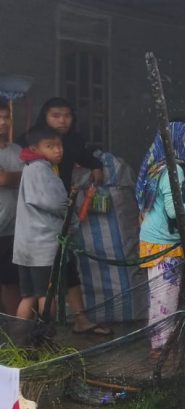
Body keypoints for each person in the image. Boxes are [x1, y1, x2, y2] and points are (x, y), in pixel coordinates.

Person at [25, 97, 109, 335]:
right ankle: (32, 332)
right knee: (39, 280)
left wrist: (95, 165)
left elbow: (83, 155)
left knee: (67, 266)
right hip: (39, 218)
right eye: (56, 115)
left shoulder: (71, 142)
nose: (62, 120)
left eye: (67, 115)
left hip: (62, 211)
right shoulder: (32, 145)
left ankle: (79, 319)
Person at [136, 122, 185, 360]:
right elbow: (175, 211)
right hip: (163, 243)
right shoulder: (173, 170)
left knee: (159, 296)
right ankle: (162, 348)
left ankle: (161, 344)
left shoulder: (159, 167)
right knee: (165, 298)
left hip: (154, 239)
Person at [12, 126, 67, 324]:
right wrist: (70, 209)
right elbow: (57, 203)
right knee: (47, 295)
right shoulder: (40, 169)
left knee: (29, 296)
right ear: (35, 149)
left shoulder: (29, 166)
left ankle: (19, 342)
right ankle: (47, 341)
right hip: (42, 246)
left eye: (59, 145)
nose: (57, 150)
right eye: (50, 146)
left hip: (26, 246)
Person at [0, 104, 23, 315]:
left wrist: (11, 178)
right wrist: (19, 177)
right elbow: (2, 178)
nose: (3, 122)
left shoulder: (16, 151)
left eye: (6, 117)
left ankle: (14, 334)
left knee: (10, 281)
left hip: (12, 229)